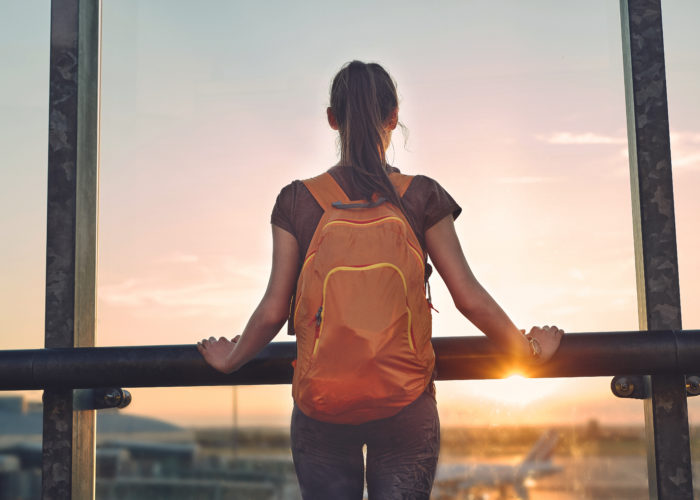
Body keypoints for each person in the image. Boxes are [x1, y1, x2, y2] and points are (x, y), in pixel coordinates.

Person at [198, 60, 564, 500]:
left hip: (322, 407)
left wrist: (231, 358)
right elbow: (468, 297)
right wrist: (530, 350)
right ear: (394, 118)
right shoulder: (422, 195)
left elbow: (275, 310)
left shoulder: (297, 200)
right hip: (406, 403)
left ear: (332, 118)